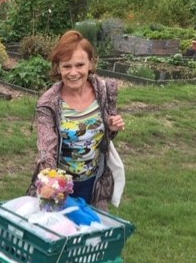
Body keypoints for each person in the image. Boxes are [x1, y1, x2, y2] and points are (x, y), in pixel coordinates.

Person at [27, 30, 125, 211]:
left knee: (94, 233)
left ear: (90, 64)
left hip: (94, 184)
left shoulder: (103, 91)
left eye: (79, 65)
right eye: (66, 66)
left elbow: (106, 136)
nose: (73, 73)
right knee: (61, 234)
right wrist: (51, 184)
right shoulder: (48, 103)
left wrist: (111, 127)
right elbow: (46, 149)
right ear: (58, 67)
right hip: (60, 186)